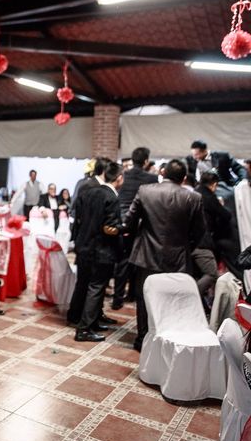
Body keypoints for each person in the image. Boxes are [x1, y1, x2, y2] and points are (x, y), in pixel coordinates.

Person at [123, 159, 205, 351]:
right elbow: (199, 232)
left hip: (146, 254)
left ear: (163, 173)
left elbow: (129, 222)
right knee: (171, 299)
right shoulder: (193, 198)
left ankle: (142, 338)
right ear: (184, 178)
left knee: (144, 298)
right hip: (178, 257)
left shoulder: (145, 191)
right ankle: (166, 339)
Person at [73, 162, 124, 342]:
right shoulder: (111, 197)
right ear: (119, 178)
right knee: (96, 287)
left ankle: (92, 322)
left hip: (84, 246)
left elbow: (79, 219)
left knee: (89, 285)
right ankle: (84, 329)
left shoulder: (89, 192)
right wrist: (123, 228)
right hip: (101, 250)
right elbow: (108, 227)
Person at [113, 147, 158, 310]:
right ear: (146, 161)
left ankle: (117, 298)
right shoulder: (152, 178)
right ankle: (132, 294)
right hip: (140, 224)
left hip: (122, 221)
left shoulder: (124, 175)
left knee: (123, 261)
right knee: (138, 261)